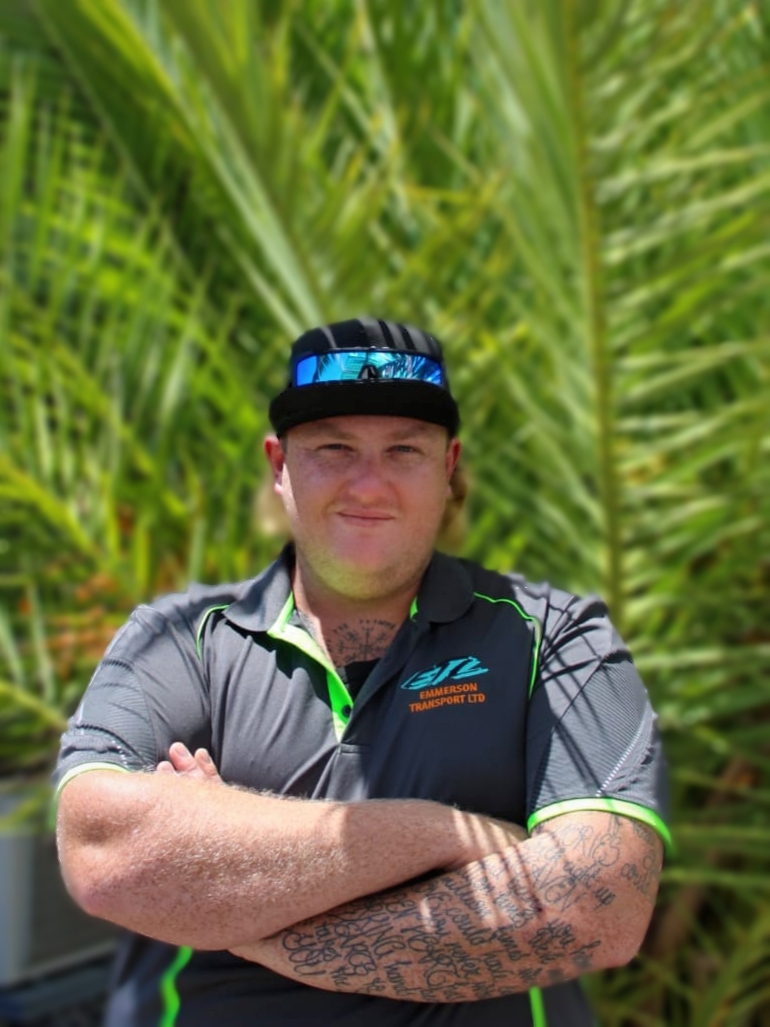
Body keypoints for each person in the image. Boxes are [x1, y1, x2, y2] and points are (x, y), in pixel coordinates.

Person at [54, 318, 670, 1027]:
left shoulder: (558, 637)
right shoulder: (177, 641)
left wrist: (228, 911)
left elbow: (597, 907)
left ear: (449, 466)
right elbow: (104, 851)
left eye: (404, 450)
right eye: (334, 448)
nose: (369, 485)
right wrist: (441, 833)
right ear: (280, 464)